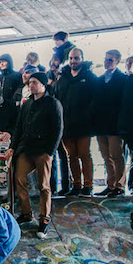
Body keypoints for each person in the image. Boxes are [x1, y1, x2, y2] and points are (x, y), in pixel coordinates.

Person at [6, 72, 63, 238]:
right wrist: (13, 147)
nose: (31, 85)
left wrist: (50, 152)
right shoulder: (27, 104)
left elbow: (58, 129)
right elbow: (18, 128)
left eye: (34, 82)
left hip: (43, 150)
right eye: (29, 82)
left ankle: (44, 219)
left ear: (43, 85)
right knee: (19, 179)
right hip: (26, 149)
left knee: (44, 186)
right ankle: (26, 213)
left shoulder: (53, 103)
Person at [56, 48, 98, 197]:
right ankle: (76, 185)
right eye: (72, 58)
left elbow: (95, 99)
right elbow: (58, 98)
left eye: (77, 58)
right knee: (71, 156)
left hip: (84, 125)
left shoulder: (90, 77)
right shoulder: (63, 78)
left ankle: (88, 185)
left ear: (82, 59)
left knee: (84, 154)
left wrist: (88, 115)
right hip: (66, 125)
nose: (74, 61)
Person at [94, 49, 129, 197]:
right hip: (101, 124)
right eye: (106, 59)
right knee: (106, 156)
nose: (106, 62)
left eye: (110, 60)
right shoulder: (100, 79)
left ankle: (119, 186)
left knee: (117, 155)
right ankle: (110, 184)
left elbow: (125, 103)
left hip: (115, 125)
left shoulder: (123, 79)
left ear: (117, 61)